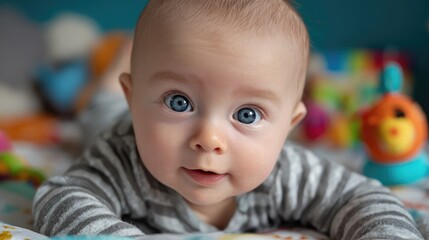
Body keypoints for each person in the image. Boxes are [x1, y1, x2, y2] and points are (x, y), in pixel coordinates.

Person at [32, 0, 425, 239]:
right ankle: (111, 78)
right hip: (117, 124)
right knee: (99, 114)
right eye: (179, 102)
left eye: (247, 114)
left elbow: (361, 197)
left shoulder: (289, 174)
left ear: (289, 127)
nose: (209, 139)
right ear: (136, 98)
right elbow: (61, 196)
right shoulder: (122, 160)